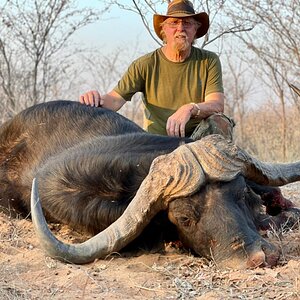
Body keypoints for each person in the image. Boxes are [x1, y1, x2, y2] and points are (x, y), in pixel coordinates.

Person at [80, 0, 234, 140]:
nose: (180, 29)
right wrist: (94, 100)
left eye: (187, 23)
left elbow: (216, 104)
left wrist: (190, 108)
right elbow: (114, 100)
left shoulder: (209, 60)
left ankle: (223, 170)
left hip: (197, 140)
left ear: (195, 29)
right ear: (164, 30)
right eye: (174, 23)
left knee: (220, 122)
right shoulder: (144, 64)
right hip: (158, 142)